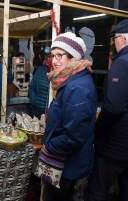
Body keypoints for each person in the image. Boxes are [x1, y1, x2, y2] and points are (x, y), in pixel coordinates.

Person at [42, 32, 98, 201]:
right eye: (53, 55)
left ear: (73, 58)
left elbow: (73, 137)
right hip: (67, 163)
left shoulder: (77, 87)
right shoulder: (69, 80)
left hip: (68, 166)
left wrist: (49, 145)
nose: (55, 60)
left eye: (60, 55)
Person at [84, 19, 128, 201]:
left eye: (114, 40)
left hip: (117, 144)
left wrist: (100, 128)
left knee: (98, 190)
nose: (113, 44)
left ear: (122, 39)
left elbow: (114, 108)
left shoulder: (122, 63)